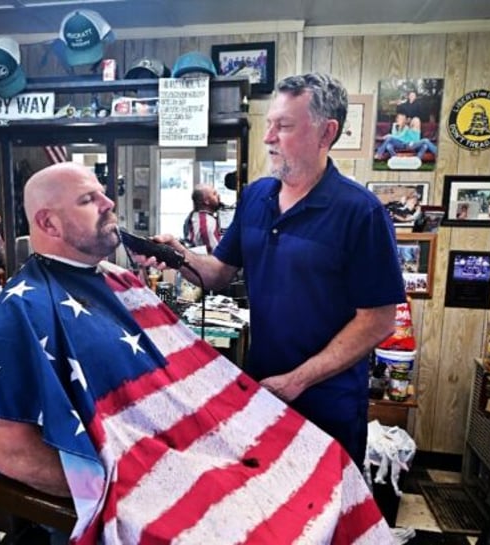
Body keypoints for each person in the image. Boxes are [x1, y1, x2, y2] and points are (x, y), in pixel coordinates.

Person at [0, 162, 393, 544]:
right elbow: (15, 453)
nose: (109, 204)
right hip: (129, 475)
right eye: (88, 200)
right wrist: (108, 487)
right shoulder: (19, 310)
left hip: (184, 449)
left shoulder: (122, 283)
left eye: (103, 193)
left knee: (328, 464)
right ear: (48, 224)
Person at [140, 73, 406, 469]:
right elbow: (218, 273)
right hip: (261, 391)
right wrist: (179, 257)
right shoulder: (256, 196)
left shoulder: (360, 212)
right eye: (270, 125)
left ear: (326, 133)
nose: (268, 138)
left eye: (284, 126)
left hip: (327, 404)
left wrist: (296, 381)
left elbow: (380, 320)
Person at [182, 184, 222, 253]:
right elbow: (217, 254)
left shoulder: (193, 216)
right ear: (206, 201)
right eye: (214, 194)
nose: (218, 196)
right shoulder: (205, 223)